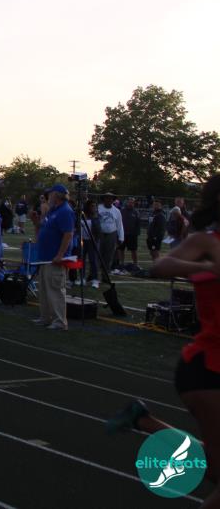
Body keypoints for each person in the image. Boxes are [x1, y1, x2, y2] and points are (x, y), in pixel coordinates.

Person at [106, 175, 220, 507]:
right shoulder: (208, 241)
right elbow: (161, 265)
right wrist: (210, 267)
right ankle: (143, 419)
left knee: (216, 470)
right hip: (208, 367)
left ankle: (143, 419)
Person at [29, 184, 75, 331]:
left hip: (54, 259)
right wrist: (36, 221)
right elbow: (42, 228)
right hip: (45, 257)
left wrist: (60, 254)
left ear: (57, 195)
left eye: (50, 194)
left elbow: (68, 234)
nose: (48, 196)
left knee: (55, 290)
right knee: (44, 290)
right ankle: (46, 317)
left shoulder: (65, 211)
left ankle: (59, 321)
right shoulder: (53, 211)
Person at [96, 193, 124, 281]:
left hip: (111, 234)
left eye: (111, 198)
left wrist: (121, 237)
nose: (109, 200)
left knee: (108, 256)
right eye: (107, 198)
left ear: (113, 200)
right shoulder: (98, 208)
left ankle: (105, 276)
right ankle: (94, 275)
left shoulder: (116, 211)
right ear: (103, 199)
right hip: (99, 234)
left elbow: (119, 224)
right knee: (97, 255)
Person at [121, 197, 141, 267]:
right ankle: (121, 263)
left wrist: (137, 233)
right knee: (121, 249)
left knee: (134, 250)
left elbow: (138, 224)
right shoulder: (122, 211)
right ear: (127, 202)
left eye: (132, 202)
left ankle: (135, 264)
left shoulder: (136, 212)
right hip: (123, 234)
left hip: (132, 235)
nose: (130, 203)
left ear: (134, 203)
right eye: (129, 202)